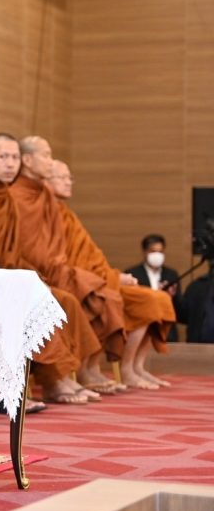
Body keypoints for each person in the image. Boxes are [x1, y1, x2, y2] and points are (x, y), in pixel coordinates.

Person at [0, 133, 103, 405]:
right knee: (38, 301)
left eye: (14, 158)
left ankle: (62, 376)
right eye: (3, 157)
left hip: (7, 274)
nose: (10, 164)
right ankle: (51, 381)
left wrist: (27, 275)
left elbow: (11, 250)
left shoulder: (5, 195)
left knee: (63, 300)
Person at [11, 137, 128, 394]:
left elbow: (57, 247)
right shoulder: (15, 196)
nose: (50, 161)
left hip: (57, 270)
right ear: (27, 160)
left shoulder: (45, 196)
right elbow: (22, 247)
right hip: (32, 272)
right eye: (46, 155)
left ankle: (87, 370)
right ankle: (59, 377)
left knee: (102, 297)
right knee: (75, 300)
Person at [49, 163, 177, 389]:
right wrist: (113, 279)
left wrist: (112, 276)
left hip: (94, 278)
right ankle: (90, 369)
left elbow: (88, 258)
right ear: (45, 181)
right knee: (116, 299)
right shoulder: (46, 213)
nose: (69, 182)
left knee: (158, 299)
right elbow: (61, 262)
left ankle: (134, 367)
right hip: (75, 281)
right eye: (62, 178)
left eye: (70, 178)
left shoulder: (67, 214)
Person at [125, 233, 184, 342]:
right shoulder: (132, 274)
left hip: (166, 333)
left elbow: (179, 309)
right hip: (140, 330)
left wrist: (171, 297)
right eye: (153, 251)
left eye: (160, 252)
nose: (157, 255)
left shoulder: (171, 275)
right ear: (144, 252)